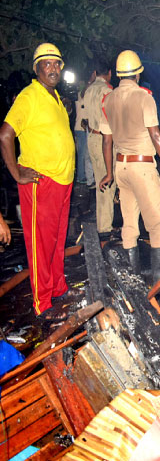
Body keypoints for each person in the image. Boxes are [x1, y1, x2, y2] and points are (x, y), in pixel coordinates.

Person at [0, 43, 76, 318]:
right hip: (41, 182)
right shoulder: (29, 96)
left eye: (57, 64)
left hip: (63, 181)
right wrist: (16, 173)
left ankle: (57, 287)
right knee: (41, 244)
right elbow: (5, 134)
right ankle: (42, 303)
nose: (53, 68)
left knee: (57, 240)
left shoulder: (54, 97)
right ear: (37, 68)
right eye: (47, 64)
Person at [98, 50, 160, 284]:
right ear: (137, 74)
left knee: (129, 224)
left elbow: (106, 141)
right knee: (156, 225)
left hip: (121, 168)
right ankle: (159, 284)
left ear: (118, 74)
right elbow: (155, 135)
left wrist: (108, 173)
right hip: (142, 168)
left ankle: (132, 281)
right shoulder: (144, 97)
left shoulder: (108, 100)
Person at [83, 57, 115, 237]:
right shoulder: (107, 91)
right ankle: (105, 228)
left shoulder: (88, 90)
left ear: (95, 73)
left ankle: (103, 221)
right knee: (107, 183)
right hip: (105, 140)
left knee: (99, 182)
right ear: (109, 73)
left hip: (92, 137)